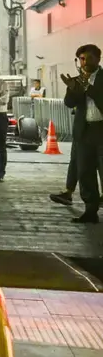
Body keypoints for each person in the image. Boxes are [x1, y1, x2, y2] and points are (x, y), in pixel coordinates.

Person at [62, 44, 103, 223]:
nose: (85, 62)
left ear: (98, 59)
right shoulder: (78, 80)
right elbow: (69, 104)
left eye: (89, 58)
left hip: (101, 130)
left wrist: (88, 88)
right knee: (85, 172)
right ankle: (90, 210)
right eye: (82, 59)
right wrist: (72, 88)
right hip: (84, 132)